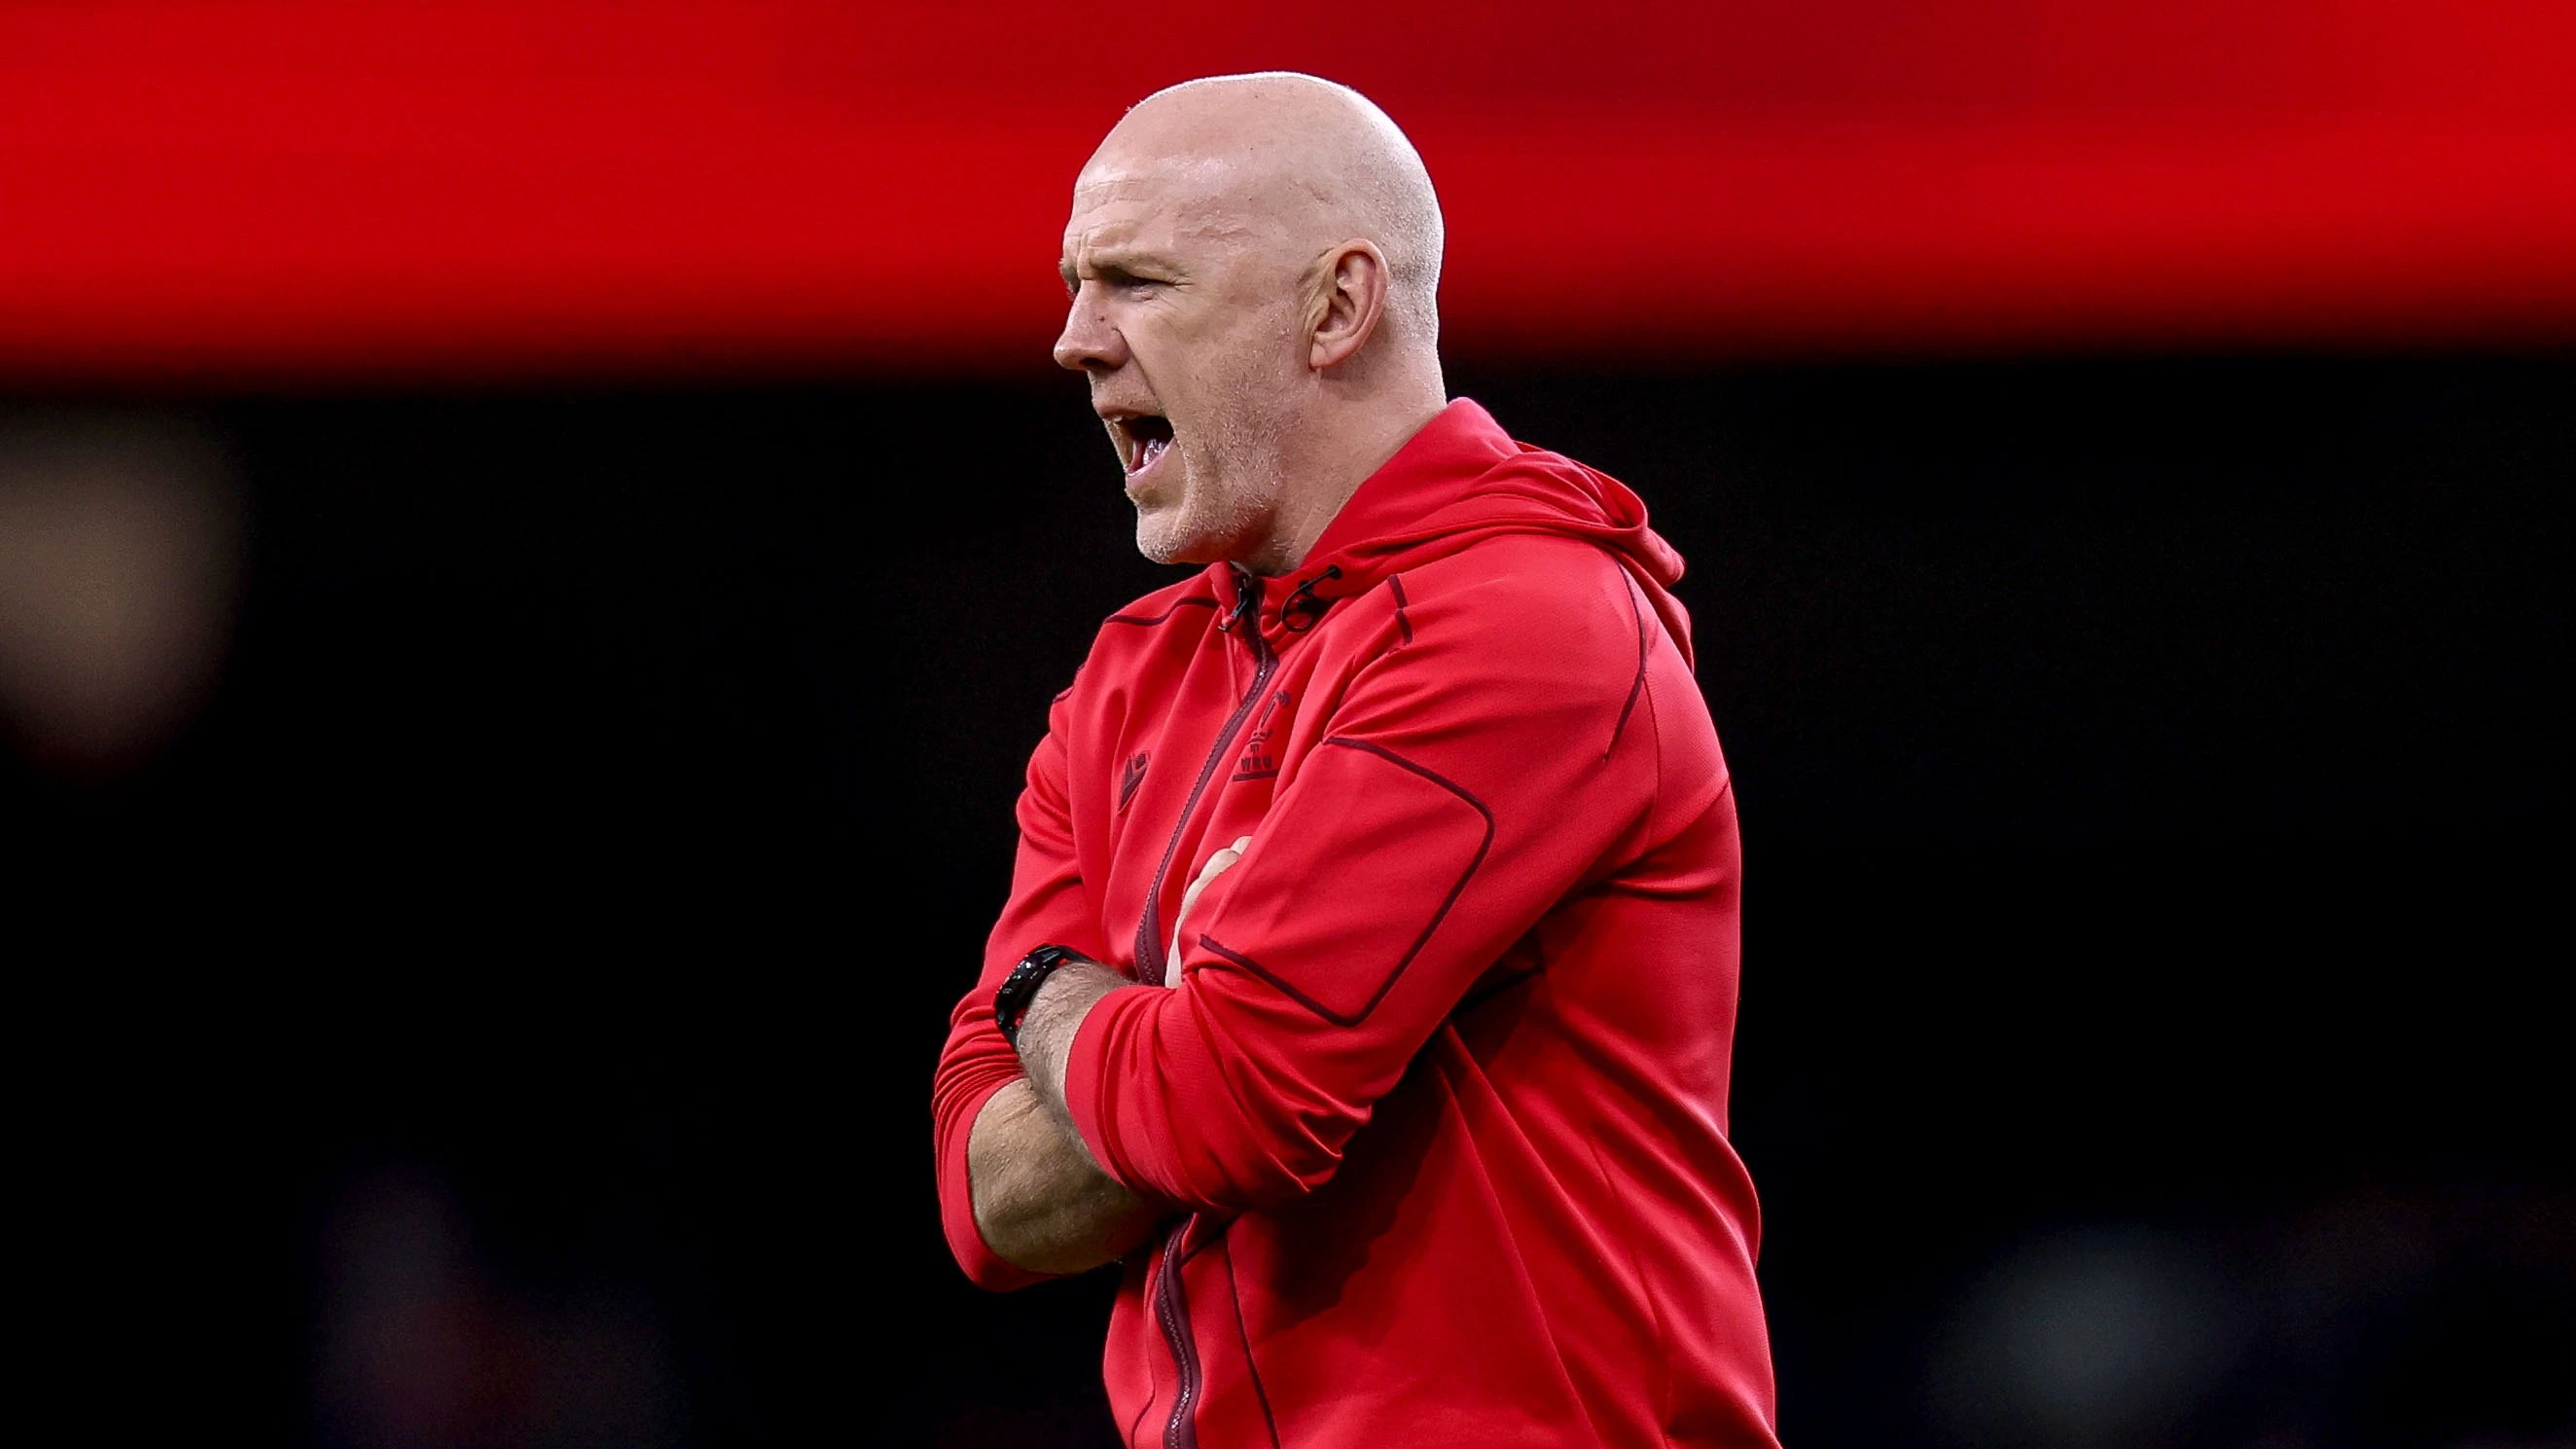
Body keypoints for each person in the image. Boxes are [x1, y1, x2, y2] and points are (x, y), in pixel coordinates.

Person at [931, 72, 1780, 1448]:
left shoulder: (1525, 626)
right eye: (1078, 286)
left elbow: (1228, 1113)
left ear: (1338, 306)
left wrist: (1045, 997)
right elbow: (989, 1203)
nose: (1073, 342)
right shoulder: (1131, 675)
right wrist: (1155, 1047)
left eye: (1138, 284)